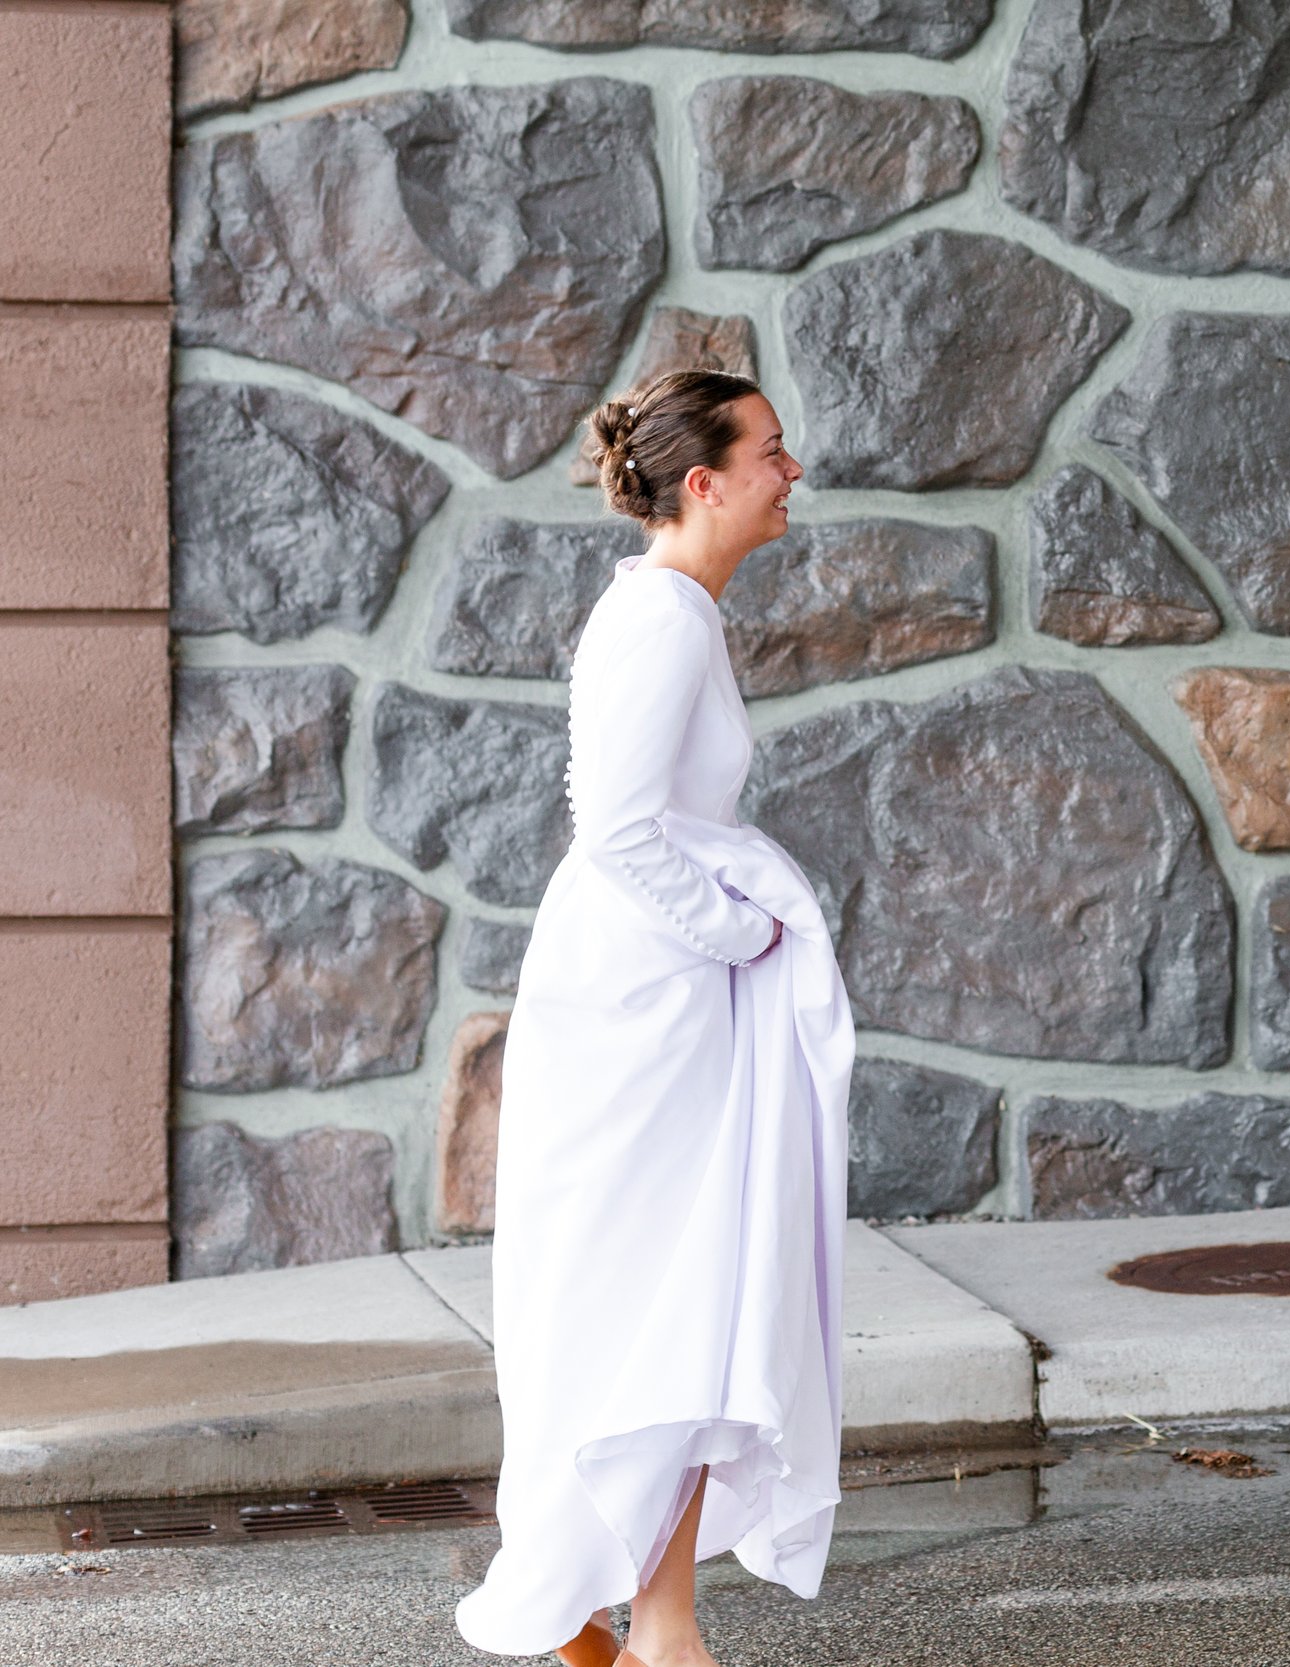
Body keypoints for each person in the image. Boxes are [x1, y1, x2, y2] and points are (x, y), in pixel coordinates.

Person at [454, 371, 856, 1667]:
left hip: (649, 993)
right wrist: (746, 933)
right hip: (649, 1008)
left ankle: (605, 1602)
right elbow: (617, 826)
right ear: (704, 481)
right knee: (675, 1302)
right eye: (772, 451)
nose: (792, 472)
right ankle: (656, 1626)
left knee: (660, 1299)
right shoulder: (666, 620)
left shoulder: (671, 610)